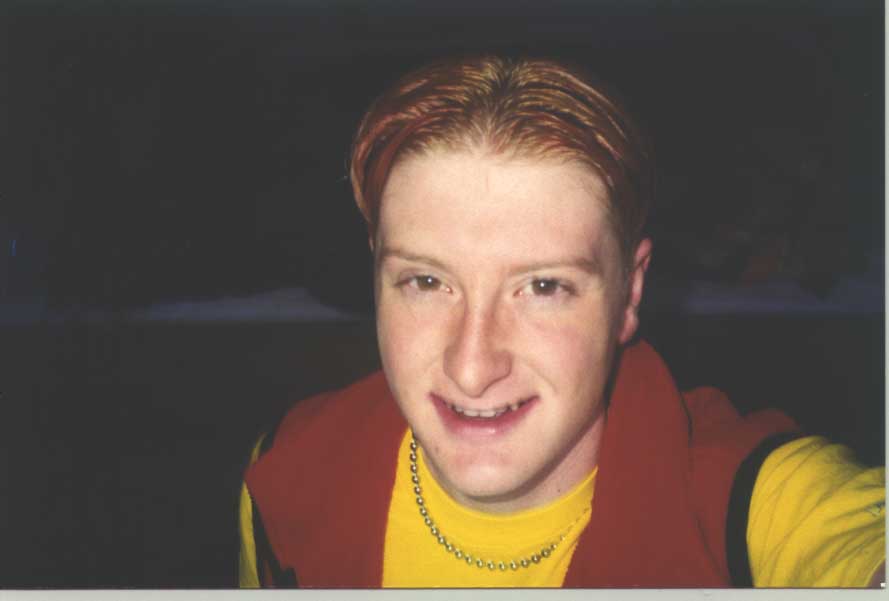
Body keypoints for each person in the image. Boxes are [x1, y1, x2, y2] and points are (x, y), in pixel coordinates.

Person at [238, 56, 885, 588]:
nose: (472, 368)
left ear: (629, 292)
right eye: (426, 282)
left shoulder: (752, 507)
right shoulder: (285, 470)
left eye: (544, 287)